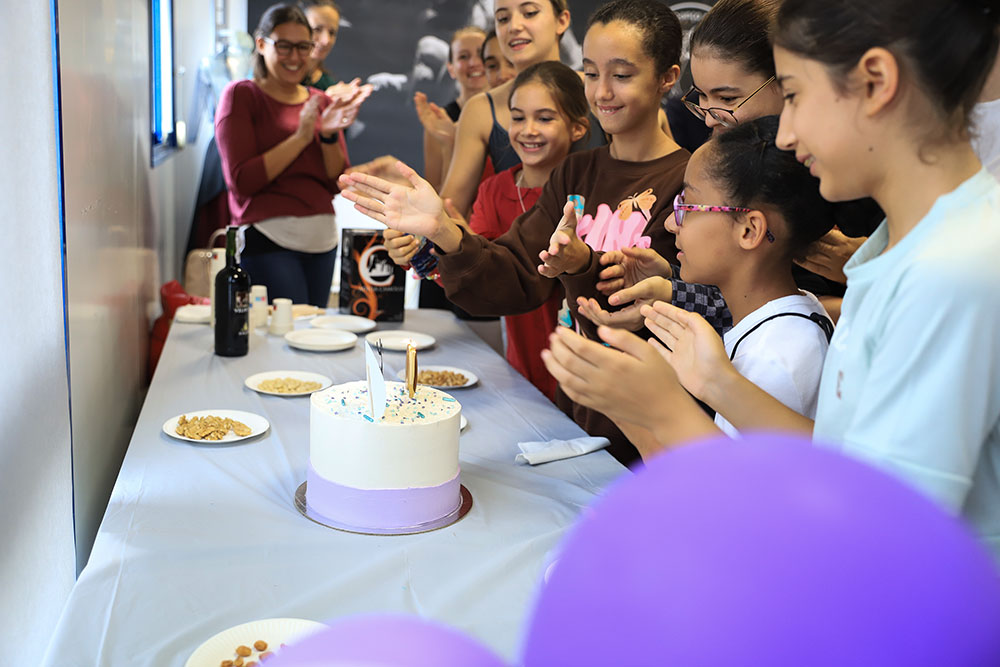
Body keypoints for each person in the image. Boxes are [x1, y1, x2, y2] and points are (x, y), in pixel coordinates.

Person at [541, 0, 1000, 560]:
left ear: (876, 82)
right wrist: (714, 382)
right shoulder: (907, 248)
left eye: (796, 94)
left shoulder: (951, 271)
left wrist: (660, 410)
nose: (784, 135)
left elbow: (879, 533)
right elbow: (840, 453)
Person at [339, 0, 688, 465]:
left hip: (662, 430)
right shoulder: (574, 174)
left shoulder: (688, 179)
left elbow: (692, 306)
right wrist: (444, 230)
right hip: (576, 416)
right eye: (590, 73)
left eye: (621, 75)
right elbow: (515, 273)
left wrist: (584, 266)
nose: (602, 91)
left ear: (667, 76)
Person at [580, 116, 882, 441]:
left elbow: (731, 489)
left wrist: (639, 414)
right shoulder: (785, 322)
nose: (671, 224)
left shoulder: (776, 358)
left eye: (687, 205)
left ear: (749, 230)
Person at [215, 3, 371, 306]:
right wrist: (301, 137)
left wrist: (326, 135)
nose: (296, 57)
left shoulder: (320, 101)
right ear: (261, 44)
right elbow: (242, 181)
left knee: (313, 338)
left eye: (303, 47)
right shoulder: (242, 96)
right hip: (268, 238)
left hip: (322, 240)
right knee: (284, 339)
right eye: (284, 46)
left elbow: (334, 181)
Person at [417, 27, 488, 191]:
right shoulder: (438, 122)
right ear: (451, 68)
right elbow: (435, 190)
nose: (474, 63)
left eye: (481, 54)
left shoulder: (512, 112)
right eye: (464, 56)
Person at [299, 0, 340, 92]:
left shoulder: (328, 86)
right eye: (317, 29)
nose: (326, 41)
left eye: (332, 33)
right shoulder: (277, 79)